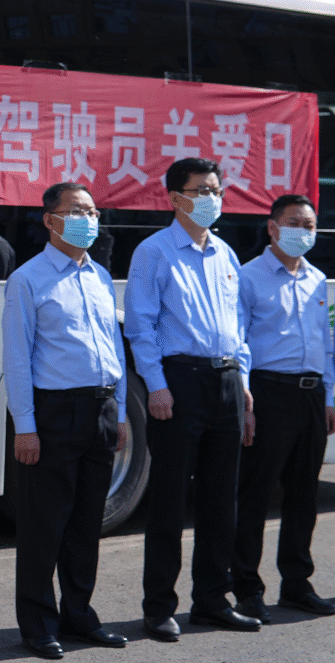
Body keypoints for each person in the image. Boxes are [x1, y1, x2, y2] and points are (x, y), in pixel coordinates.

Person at [123, 157, 259, 642]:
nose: (211, 199)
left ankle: (212, 601)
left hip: (225, 381)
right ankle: (159, 606)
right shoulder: (154, 252)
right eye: (201, 190)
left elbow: (237, 325)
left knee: (222, 500)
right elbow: (140, 326)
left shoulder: (225, 253)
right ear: (175, 198)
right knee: (169, 499)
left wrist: (242, 381)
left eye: (216, 190)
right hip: (179, 382)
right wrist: (156, 385)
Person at [2, 182, 128, 660]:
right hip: (54, 412)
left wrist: (118, 412)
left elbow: (113, 348)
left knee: (86, 522)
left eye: (92, 211)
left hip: (101, 409)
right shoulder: (28, 279)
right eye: (77, 211)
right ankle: (38, 624)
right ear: (50, 220)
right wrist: (26, 426)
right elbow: (17, 357)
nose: (87, 220)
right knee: (44, 524)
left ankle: (79, 614)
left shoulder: (99, 276)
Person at [232, 194, 335, 621]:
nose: (303, 232)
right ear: (272, 228)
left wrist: (329, 397)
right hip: (269, 392)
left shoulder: (317, 279)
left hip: (311, 396)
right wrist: (245, 398)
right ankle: (246, 588)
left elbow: (327, 344)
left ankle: (296, 584)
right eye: (295, 223)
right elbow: (237, 341)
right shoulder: (248, 277)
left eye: (310, 225)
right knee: (255, 494)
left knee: (304, 495)